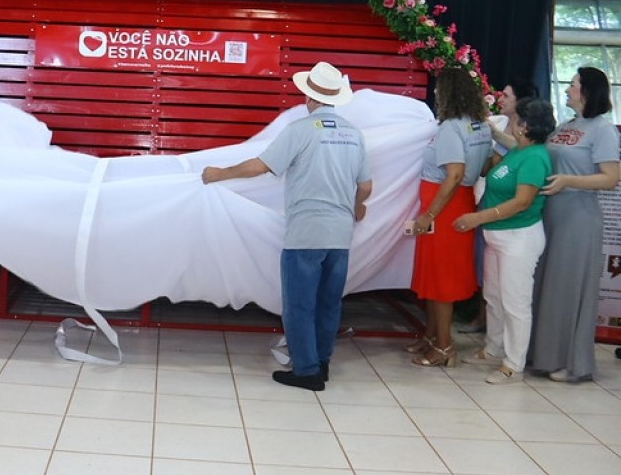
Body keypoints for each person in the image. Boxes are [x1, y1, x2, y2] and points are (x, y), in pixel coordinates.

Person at [202, 61, 372, 391]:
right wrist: (357, 208)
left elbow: (260, 166)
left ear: (309, 96)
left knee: (299, 304)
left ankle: (306, 371)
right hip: (340, 235)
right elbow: (365, 186)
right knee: (329, 303)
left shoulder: (301, 130)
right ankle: (321, 363)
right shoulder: (354, 134)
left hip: (306, 233)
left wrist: (220, 174)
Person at [454, 98, 555, 383]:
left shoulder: (535, 157)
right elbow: (500, 151)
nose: (510, 121)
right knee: (494, 297)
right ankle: (494, 348)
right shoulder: (519, 149)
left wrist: (479, 217)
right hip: (497, 236)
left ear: (525, 126)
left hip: (518, 238)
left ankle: (513, 364)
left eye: (515, 119)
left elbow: (522, 202)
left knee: (515, 303)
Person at [530, 67, 621, 382]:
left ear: (588, 91)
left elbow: (610, 178)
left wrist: (570, 180)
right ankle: (544, 354)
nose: (568, 89)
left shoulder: (602, 130)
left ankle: (571, 362)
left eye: (573, 84)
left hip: (578, 217)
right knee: (548, 286)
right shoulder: (568, 125)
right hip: (551, 213)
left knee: (568, 288)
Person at [407, 67, 492, 368]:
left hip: (444, 208)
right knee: (435, 274)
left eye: (439, 89)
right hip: (459, 202)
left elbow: (455, 175)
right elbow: (485, 167)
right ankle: (431, 336)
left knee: (441, 278)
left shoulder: (451, 127)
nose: (435, 93)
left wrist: (429, 215)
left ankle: (444, 347)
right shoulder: (479, 126)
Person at [458, 76, 539, 335]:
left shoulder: (531, 142)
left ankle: (509, 344)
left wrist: (492, 133)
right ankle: (487, 324)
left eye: (506, 95)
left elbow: (517, 155)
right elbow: (490, 165)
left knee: (513, 289)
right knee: (487, 270)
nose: (500, 99)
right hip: (490, 201)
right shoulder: (502, 123)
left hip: (512, 217)